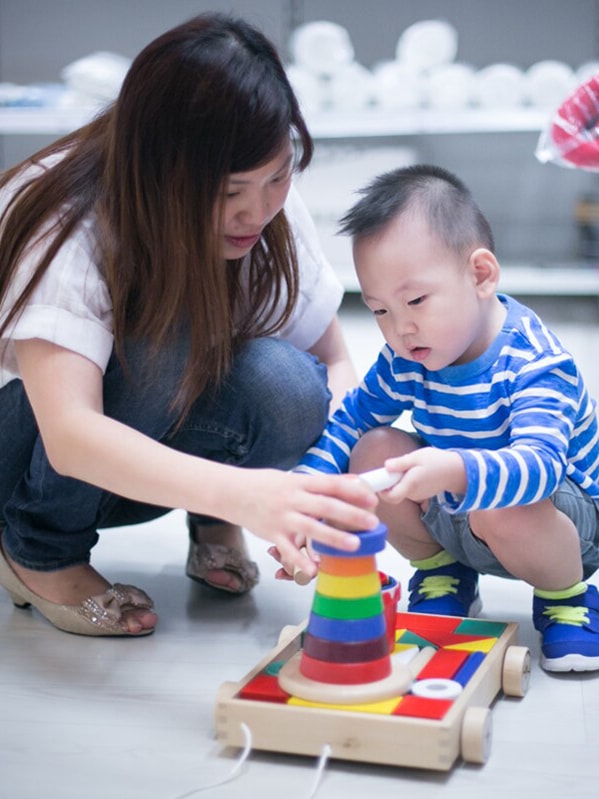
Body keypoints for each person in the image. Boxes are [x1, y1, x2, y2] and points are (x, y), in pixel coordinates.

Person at [0, 13, 380, 638]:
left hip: (121, 452)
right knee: (166, 329)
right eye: (230, 189)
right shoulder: (69, 218)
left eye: (279, 176)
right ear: (161, 170)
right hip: (28, 452)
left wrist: (323, 484)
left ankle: (211, 516)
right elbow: (68, 434)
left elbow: (333, 365)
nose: (257, 209)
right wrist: (250, 495)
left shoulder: (265, 204)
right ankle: (39, 547)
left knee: (290, 388)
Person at [296, 163, 599, 673]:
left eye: (415, 300)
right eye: (379, 311)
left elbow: (542, 467)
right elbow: (351, 419)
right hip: (463, 513)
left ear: (480, 275)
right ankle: (443, 574)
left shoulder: (534, 362)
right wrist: (307, 492)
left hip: (558, 525)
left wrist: (455, 468)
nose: (401, 328)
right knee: (372, 450)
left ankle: (566, 600)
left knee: (502, 504)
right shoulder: (407, 357)